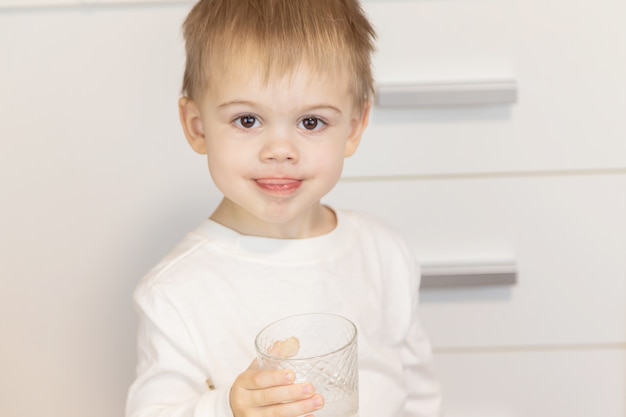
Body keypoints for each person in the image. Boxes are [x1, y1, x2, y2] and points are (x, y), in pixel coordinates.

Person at [126, 1, 442, 416]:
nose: (280, 151)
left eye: (311, 122)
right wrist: (228, 408)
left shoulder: (383, 253)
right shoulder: (176, 292)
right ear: (197, 126)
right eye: (247, 120)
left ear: (354, 127)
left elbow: (416, 387)